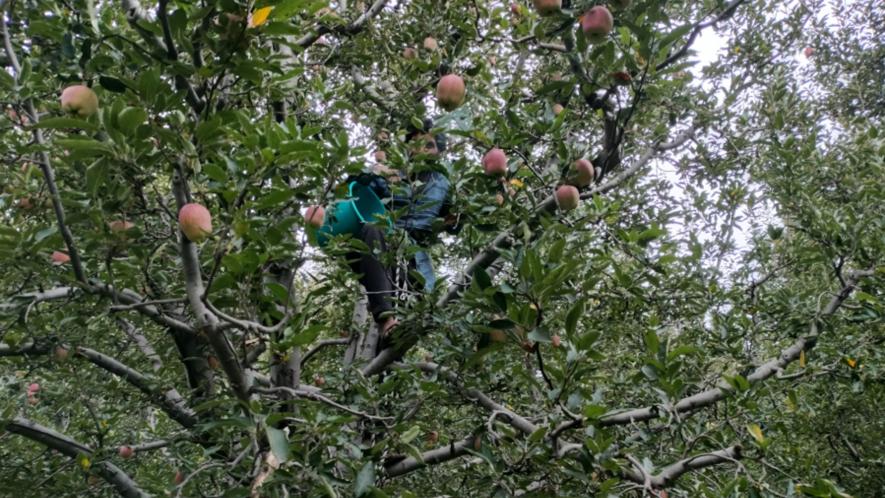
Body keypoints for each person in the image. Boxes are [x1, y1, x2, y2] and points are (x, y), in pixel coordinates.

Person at [344, 119, 459, 339]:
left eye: (429, 145)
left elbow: (455, 223)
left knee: (429, 317)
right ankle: (386, 320)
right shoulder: (394, 174)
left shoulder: (443, 183)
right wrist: (376, 171)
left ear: (440, 152)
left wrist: (456, 218)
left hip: (414, 258)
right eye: (416, 144)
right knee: (371, 228)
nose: (422, 150)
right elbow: (355, 188)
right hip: (384, 247)